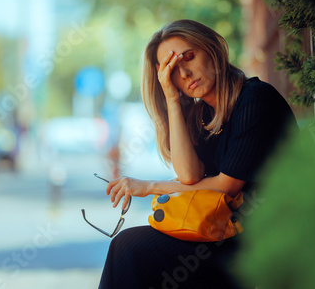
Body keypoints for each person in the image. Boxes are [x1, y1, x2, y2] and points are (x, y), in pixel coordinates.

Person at [98, 19, 297, 288]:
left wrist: (148, 187)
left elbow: (226, 186)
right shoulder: (204, 115)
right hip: (226, 233)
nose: (186, 74)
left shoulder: (255, 99)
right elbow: (189, 176)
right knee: (130, 249)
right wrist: (171, 98)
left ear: (212, 48)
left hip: (266, 238)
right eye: (173, 72)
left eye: (188, 58)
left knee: (131, 249)